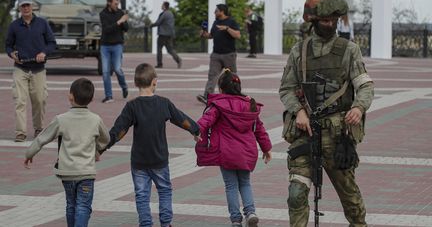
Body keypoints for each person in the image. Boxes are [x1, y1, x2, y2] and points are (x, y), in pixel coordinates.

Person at [279, 0, 374, 227]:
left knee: (351, 200)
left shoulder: (349, 49)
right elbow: (286, 89)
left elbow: (365, 85)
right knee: (296, 194)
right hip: (305, 134)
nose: (329, 24)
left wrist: (359, 107)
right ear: (313, 20)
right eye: (324, 20)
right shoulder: (298, 51)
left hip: (338, 135)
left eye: (333, 20)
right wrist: (298, 111)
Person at [100, 63, 200, 227]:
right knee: (165, 190)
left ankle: (146, 224)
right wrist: (196, 131)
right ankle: (166, 223)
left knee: (141, 195)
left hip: (139, 162)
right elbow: (181, 119)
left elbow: (119, 132)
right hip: (160, 159)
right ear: (155, 81)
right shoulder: (163, 103)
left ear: (135, 83)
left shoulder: (132, 106)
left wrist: (102, 148)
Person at [24, 78, 110, 227]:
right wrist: (96, 150)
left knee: (71, 205)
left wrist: (29, 154)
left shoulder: (61, 119)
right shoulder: (95, 120)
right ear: (90, 98)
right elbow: (106, 139)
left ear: (70, 96)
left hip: (67, 172)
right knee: (83, 206)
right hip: (86, 173)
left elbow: (42, 138)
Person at [195, 69, 272, 227]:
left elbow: (206, 120)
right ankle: (250, 212)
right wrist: (266, 148)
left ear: (221, 89)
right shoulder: (250, 105)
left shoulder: (218, 105)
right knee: (245, 183)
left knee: (231, 185)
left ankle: (236, 220)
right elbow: (260, 129)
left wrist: (195, 130)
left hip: (226, 152)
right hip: (246, 153)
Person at [5, 0, 57, 142]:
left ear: (32, 6)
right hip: (20, 69)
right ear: (20, 8)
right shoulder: (14, 26)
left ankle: (38, 128)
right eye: (23, 5)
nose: (26, 8)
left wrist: (44, 53)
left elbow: (52, 43)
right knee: (20, 101)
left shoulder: (42, 23)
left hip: (38, 69)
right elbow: (8, 45)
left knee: (39, 101)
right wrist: (11, 54)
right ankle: (20, 132)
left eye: (28, 5)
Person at [197, 4, 241, 105]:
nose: (214, 13)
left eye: (216, 11)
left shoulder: (231, 22)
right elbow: (211, 35)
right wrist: (204, 34)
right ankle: (207, 97)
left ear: (222, 11)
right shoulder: (215, 22)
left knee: (232, 77)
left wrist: (227, 28)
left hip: (229, 55)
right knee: (212, 76)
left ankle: (236, 97)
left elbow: (238, 35)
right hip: (216, 54)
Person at [99, 0, 129, 103]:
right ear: (109, 3)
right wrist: (119, 22)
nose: (117, 6)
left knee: (117, 69)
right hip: (105, 46)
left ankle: (124, 87)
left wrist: (125, 20)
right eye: (115, 4)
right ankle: (109, 96)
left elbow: (126, 29)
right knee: (106, 71)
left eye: (118, 4)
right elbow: (107, 29)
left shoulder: (120, 13)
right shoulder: (103, 14)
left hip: (117, 45)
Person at [151, 1, 182, 69]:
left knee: (159, 49)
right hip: (169, 34)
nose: (161, 6)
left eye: (162, 5)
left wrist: (151, 25)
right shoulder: (171, 14)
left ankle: (159, 64)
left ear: (164, 6)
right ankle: (178, 60)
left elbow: (158, 22)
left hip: (162, 34)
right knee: (170, 49)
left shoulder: (164, 14)